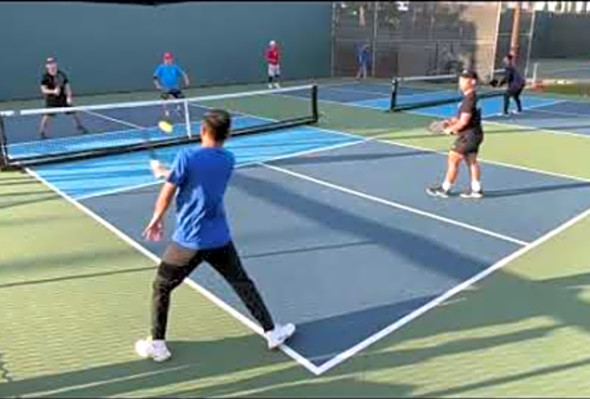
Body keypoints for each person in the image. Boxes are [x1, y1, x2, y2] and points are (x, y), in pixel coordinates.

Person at [135, 109, 296, 362]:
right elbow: (196, 177)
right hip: (220, 239)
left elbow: (169, 192)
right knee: (242, 283)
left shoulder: (186, 156)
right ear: (227, 135)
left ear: (202, 131)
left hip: (188, 242)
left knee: (161, 287)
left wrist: (156, 217)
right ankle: (272, 331)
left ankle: (157, 344)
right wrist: (165, 172)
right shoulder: (228, 159)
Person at [427, 70, 484, 199]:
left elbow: (463, 122)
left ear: (473, 82)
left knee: (453, 159)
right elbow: (464, 117)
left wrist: (450, 129)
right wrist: (449, 121)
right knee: (472, 162)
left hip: (468, 136)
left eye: (465, 79)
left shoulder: (469, 99)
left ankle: (444, 189)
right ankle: (476, 190)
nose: (461, 82)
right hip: (475, 135)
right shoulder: (472, 97)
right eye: (461, 79)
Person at [39, 57, 87, 139]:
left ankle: (79, 126)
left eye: (53, 63)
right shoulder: (45, 77)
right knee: (47, 116)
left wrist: (69, 97)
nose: (52, 65)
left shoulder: (61, 75)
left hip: (62, 98)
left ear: (56, 64)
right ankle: (42, 131)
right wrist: (53, 91)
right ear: (47, 66)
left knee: (74, 113)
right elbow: (43, 90)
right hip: (51, 99)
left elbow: (67, 87)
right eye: (50, 64)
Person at [153, 52, 190, 118]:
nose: (167, 60)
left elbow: (183, 74)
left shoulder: (175, 67)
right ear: (164, 59)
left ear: (171, 59)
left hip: (175, 87)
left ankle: (178, 109)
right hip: (165, 88)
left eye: (169, 58)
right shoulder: (161, 67)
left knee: (182, 99)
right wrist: (157, 85)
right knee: (165, 100)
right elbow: (155, 76)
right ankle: (167, 114)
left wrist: (187, 80)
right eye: (166, 58)